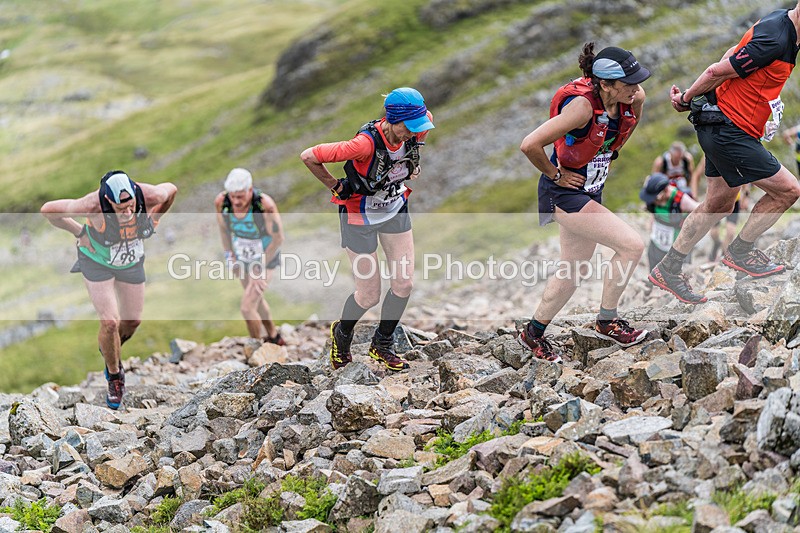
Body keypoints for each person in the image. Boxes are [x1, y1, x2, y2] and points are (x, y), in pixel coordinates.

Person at [649, 4, 800, 304]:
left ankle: (669, 267)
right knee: (789, 190)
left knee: (718, 202)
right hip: (730, 130)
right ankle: (741, 251)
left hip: (719, 123)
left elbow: (735, 50)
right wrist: (686, 99)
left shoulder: (785, 22)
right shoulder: (776, 37)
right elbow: (716, 70)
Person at [519, 43, 651, 363]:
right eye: (628, 82)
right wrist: (556, 175)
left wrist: (608, 152)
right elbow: (530, 144)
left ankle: (532, 333)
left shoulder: (635, 99)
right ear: (605, 84)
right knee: (631, 245)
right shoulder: (580, 108)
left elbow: (619, 135)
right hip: (565, 192)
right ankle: (607, 321)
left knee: (573, 269)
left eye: (636, 80)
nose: (636, 88)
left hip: (591, 188)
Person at [300, 87, 434, 371]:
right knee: (369, 295)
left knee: (404, 283)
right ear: (392, 119)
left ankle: (382, 345)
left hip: (394, 208)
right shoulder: (363, 144)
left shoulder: (419, 126)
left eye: (418, 127)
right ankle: (342, 333)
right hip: (358, 216)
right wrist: (335, 186)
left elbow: (412, 150)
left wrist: (411, 168)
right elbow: (309, 156)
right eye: (409, 128)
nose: (415, 133)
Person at [40, 171, 177, 409]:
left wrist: (154, 218)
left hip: (131, 260)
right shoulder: (92, 204)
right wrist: (79, 232)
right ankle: (115, 375)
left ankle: (109, 347)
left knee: (133, 321)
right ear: (108, 201)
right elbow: (49, 210)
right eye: (120, 208)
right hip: (97, 261)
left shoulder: (149, 194)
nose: (126, 213)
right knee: (110, 323)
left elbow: (171, 190)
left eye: (131, 206)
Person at [214, 168, 285, 344]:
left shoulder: (264, 205)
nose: (236, 201)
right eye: (233, 196)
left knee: (247, 307)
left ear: (250, 190)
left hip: (265, 257)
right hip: (242, 257)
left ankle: (257, 347)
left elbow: (278, 238)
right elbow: (224, 231)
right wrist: (229, 256)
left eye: (241, 196)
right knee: (256, 301)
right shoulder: (222, 203)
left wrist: (260, 266)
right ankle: (274, 336)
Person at [640, 173, 699, 271]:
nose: (653, 201)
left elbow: (702, 212)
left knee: (678, 275)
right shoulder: (652, 198)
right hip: (656, 244)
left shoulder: (682, 200)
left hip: (677, 248)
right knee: (654, 273)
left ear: (666, 190)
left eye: (656, 198)